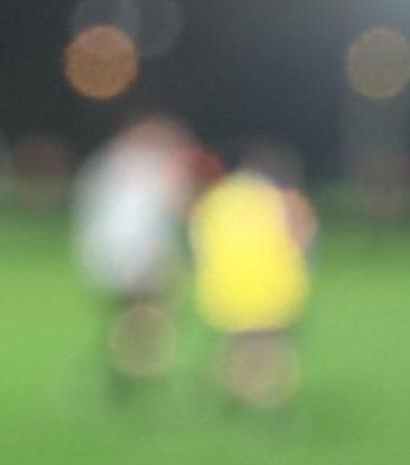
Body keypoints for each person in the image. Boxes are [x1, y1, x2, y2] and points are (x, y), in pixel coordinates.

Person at [73, 115, 192, 401]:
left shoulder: (107, 163)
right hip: (135, 256)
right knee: (146, 317)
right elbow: (172, 210)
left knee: (135, 318)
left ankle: (126, 375)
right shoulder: (149, 168)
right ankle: (137, 375)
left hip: (111, 257)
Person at [188, 144, 313, 414]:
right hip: (272, 286)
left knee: (236, 344)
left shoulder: (217, 198)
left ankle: (235, 395)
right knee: (269, 346)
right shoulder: (285, 200)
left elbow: (198, 241)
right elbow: (303, 241)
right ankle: (269, 401)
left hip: (224, 287)